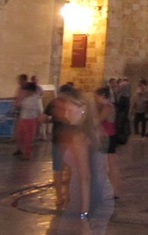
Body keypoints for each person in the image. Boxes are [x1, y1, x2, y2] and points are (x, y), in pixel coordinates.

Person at [51, 88, 114, 234]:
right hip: (96, 195)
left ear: (83, 109)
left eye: (70, 110)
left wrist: (83, 216)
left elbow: (85, 177)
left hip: (87, 198)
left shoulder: (80, 136)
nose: (66, 115)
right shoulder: (94, 130)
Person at [43, 83, 76, 209]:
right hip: (72, 139)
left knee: (58, 169)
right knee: (70, 168)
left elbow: (42, 118)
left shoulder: (54, 103)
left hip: (58, 138)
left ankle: (59, 197)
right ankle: (68, 193)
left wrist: (52, 120)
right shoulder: (75, 104)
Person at [95, 87, 121, 200]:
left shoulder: (107, 107)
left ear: (102, 96)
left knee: (108, 164)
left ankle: (112, 190)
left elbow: (98, 120)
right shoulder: (109, 106)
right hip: (109, 136)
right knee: (111, 164)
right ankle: (113, 190)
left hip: (107, 137)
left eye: (96, 97)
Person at [16, 81, 43, 160]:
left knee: (28, 138)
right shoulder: (26, 98)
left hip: (30, 119)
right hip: (23, 118)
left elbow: (20, 105)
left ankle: (27, 153)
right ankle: (21, 150)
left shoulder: (34, 99)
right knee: (21, 136)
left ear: (31, 91)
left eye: (27, 90)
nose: (25, 92)